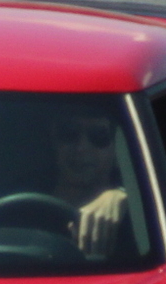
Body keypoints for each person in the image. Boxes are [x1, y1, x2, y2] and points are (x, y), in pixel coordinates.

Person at [49, 108, 132, 259]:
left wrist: (123, 197)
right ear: (54, 140)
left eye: (98, 136)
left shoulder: (134, 221)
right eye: (69, 133)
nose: (81, 148)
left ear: (118, 150)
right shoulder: (17, 201)